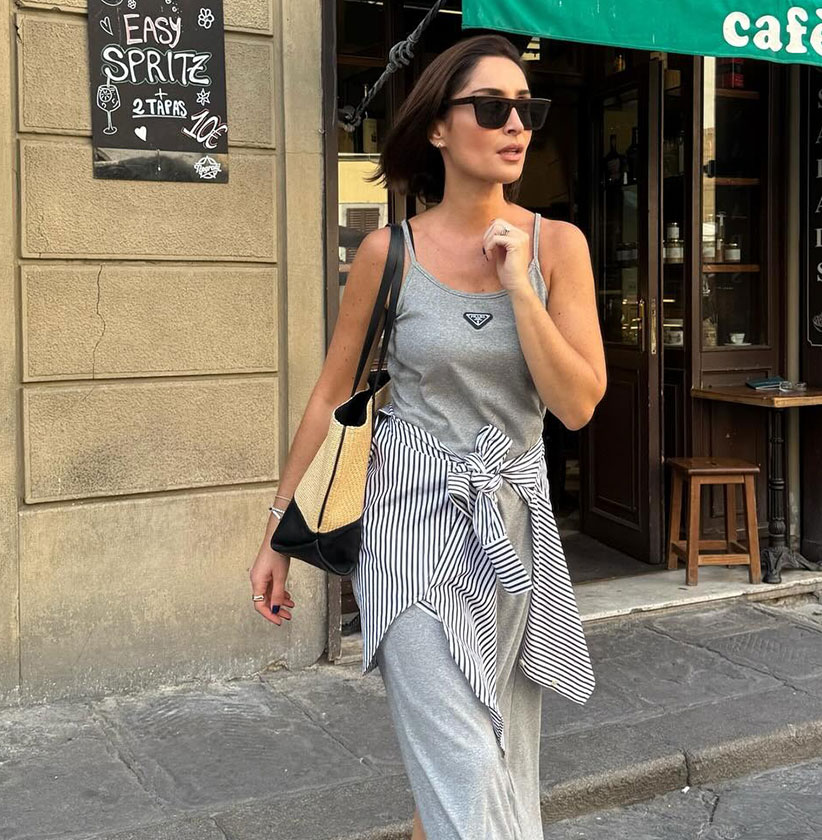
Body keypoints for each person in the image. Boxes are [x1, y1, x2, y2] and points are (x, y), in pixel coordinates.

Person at [249, 34, 606, 840]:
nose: (516, 124)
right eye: (492, 107)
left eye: (528, 107)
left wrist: (519, 285)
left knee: (501, 750)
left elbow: (578, 404)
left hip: (513, 521)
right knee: (469, 768)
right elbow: (331, 396)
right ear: (440, 129)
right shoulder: (390, 253)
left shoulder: (559, 248)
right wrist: (277, 530)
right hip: (407, 521)